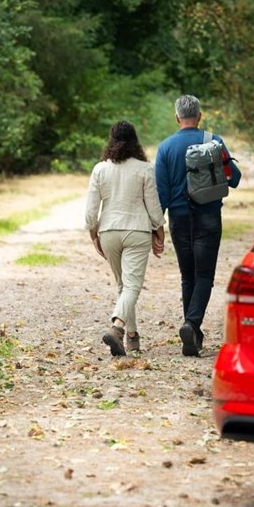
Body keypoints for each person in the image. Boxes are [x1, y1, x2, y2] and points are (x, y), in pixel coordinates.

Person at [155, 95, 241, 356]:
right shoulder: (214, 141)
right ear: (200, 116)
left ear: (176, 117)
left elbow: (161, 192)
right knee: (204, 275)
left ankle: (193, 331)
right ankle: (192, 325)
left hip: (179, 218)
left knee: (187, 275)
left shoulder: (165, 147)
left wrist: (156, 227)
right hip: (209, 216)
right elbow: (234, 179)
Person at [85, 120, 166, 357]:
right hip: (137, 231)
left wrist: (94, 234)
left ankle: (132, 337)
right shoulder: (144, 168)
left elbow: (91, 209)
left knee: (124, 286)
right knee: (132, 286)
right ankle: (117, 328)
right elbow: (153, 205)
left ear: (111, 141)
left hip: (109, 231)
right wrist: (159, 230)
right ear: (134, 141)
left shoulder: (100, 169)